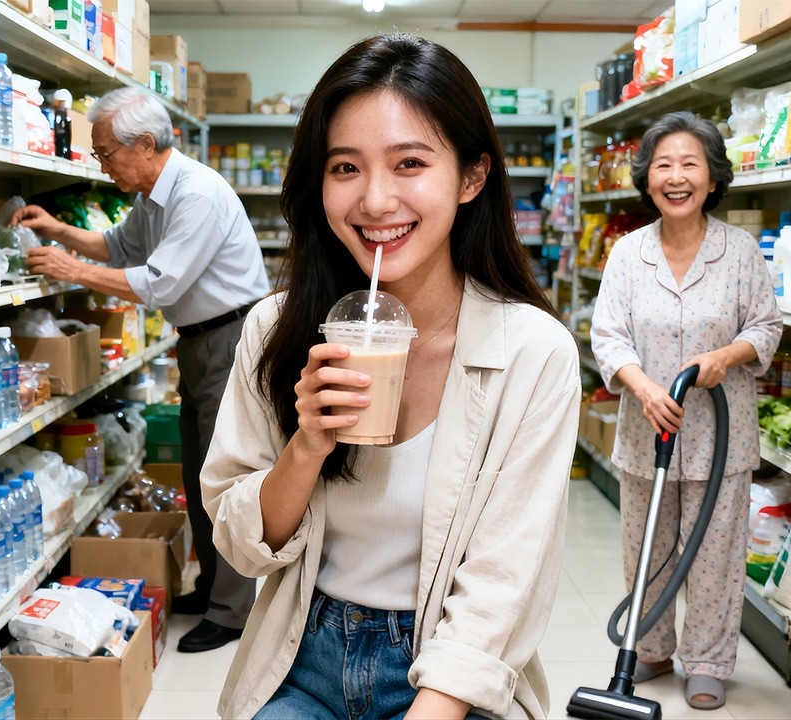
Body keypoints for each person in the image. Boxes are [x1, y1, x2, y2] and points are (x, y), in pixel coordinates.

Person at [201, 34, 580, 719]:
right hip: (301, 654)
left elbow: (503, 582)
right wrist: (308, 444)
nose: (375, 200)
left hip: (451, 669)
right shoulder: (275, 329)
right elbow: (239, 542)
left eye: (409, 163)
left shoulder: (534, 352)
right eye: (345, 167)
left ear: (471, 177)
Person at [11, 86, 269, 653]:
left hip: (230, 337)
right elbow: (116, 247)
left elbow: (158, 283)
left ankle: (231, 610)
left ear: (146, 144)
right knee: (202, 469)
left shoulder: (195, 193)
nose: (102, 165)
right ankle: (214, 588)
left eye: (106, 153)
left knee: (225, 471)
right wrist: (59, 232)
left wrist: (68, 269)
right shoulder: (153, 195)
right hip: (201, 340)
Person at [590, 110, 782, 710]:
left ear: (712, 177)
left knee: (716, 553)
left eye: (690, 164)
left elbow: (767, 326)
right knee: (643, 547)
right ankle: (650, 649)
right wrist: (644, 387)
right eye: (664, 165)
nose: (676, 177)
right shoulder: (627, 254)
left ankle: (706, 661)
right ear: (647, 178)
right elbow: (607, 335)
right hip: (646, 430)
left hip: (723, 437)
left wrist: (728, 355)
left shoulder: (741, 251)